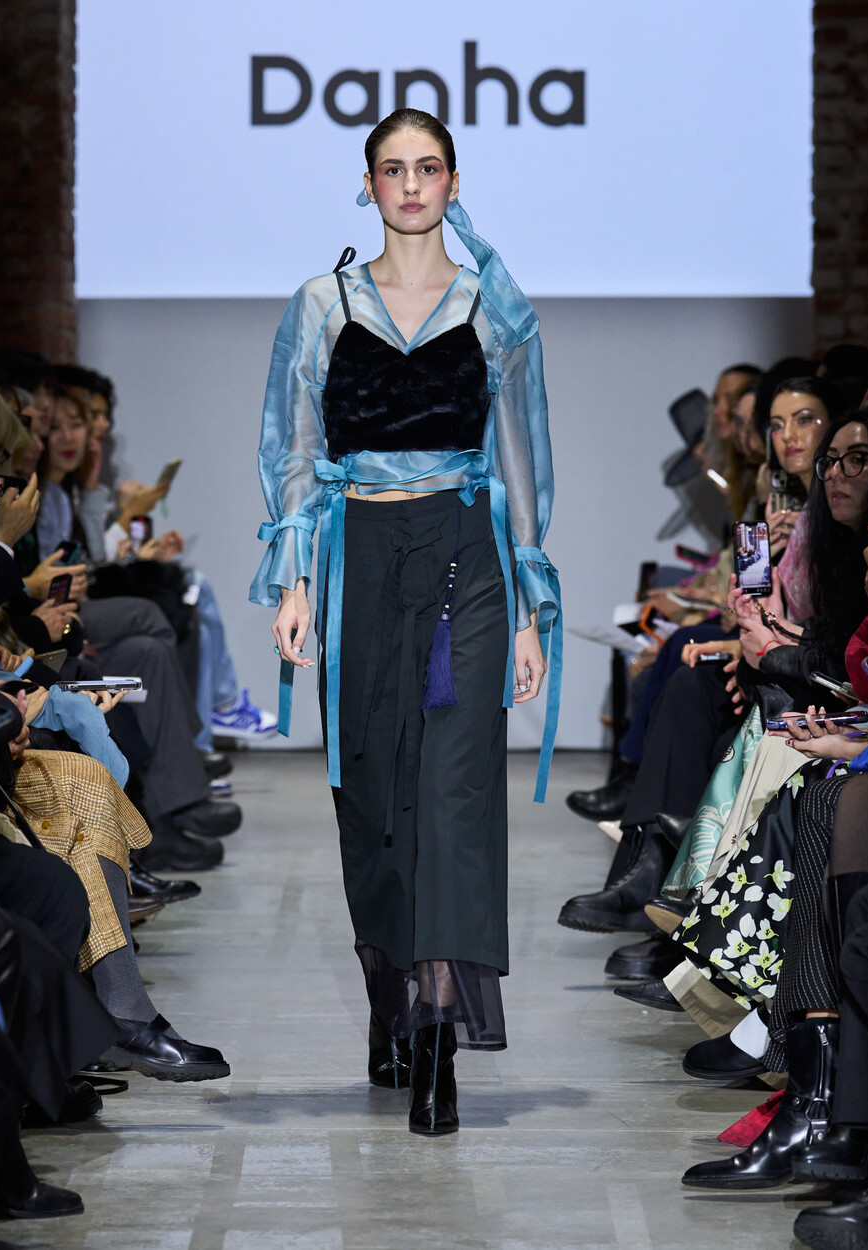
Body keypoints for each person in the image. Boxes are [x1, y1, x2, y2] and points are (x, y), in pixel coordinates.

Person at [250, 108, 560, 1136]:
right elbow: (295, 447)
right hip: (356, 556)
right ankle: (388, 991)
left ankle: (435, 1032)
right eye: (394, 168)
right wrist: (294, 580)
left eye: (429, 167)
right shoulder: (323, 301)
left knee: (454, 793)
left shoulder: (492, 307)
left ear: (454, 182)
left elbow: (520, 458)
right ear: (369, 183)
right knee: (374, 798)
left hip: (466, 555)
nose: (413, 184)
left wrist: (531, 607)